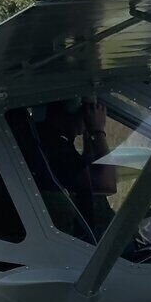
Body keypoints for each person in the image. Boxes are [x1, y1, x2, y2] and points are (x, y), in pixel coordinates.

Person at [34, 98, 116, 241]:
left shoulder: (45, 138)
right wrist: (97, 132)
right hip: (84, 238)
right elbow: (107, 186)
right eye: (87, 112)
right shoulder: (57, 148)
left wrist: (88, 136)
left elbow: (86, 171)